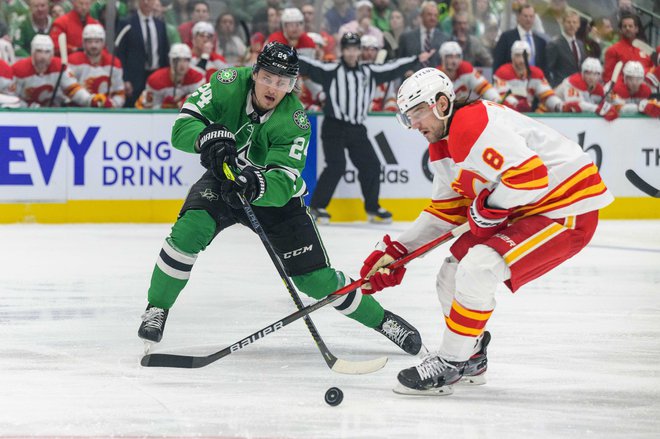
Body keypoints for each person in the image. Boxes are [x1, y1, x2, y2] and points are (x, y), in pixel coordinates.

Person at [137, 42, 424, 358]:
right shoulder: (227, 83)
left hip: (276, 200)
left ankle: (383, 321)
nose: (274, 87)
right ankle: (156, 308)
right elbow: (182, 127)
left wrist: (252, 184)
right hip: (224, 182)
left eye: (283, 82)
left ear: (293, 85)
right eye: (268, 77)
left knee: (315, 280)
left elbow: (283, 182)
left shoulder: (294, 120)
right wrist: (208, 138)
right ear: (256, 73)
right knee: (188, 232)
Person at [359, 67, 614, 395]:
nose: (416, 124)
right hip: (529, 209)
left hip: (567, 211)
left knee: (478, 267)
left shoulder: (472, 123)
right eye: (409, 117)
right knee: (451, 274)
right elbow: (446, 211)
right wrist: (396, 251)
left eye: (419, 112)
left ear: (441, 104)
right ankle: (472, 356)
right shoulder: (442, 146)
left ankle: (449, 364)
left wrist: (490, 205)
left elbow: (530, 177)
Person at [298, 33, 434, 224]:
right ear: (342, 51)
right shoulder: (332, 69)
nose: (351, 53)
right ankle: (318, 207)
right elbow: (310, 66)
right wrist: (286, 54)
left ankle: (372, 208)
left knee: (371, 165)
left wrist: (414, 60)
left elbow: (392, 67)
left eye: (355, 49)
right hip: (333, 126)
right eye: (348, 49)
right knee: (336, 165)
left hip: (357, 129)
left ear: (358, 51)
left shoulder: (368, 71)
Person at [12, 34, 104, 107]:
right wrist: (27, 107)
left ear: (52, 54)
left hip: (54, 113)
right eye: (39, 51)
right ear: (32, 52)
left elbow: (73, 89)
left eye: (47, 52)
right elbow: (12, 98)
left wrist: (90, 100)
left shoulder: (60, 67)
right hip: (25, 114)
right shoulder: (19, 69)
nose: (43, 56)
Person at [116, 0, 170, 107]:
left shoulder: (160, 25)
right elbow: (121, 53)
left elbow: (164, 52)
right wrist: (125, 78)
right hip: (134, 79)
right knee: (134, 108)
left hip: (156, 74)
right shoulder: (127, 23)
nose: (146, 2)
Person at [494, 40, 563, 113]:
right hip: (507, 115)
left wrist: (560, 106)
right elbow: (502, 98)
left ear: (530, 57)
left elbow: (547, 95)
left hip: (527, 114)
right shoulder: (502, 72)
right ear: (512, 57)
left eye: (525, 56)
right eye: (518, 55)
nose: (522, 60)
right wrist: (516, 105)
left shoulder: (536, 73)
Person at [68, 23, 125, 108]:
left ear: (103, 43)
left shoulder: (114, 63)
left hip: (106, 112)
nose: (93, 45)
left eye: (97, 41)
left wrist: (113, 104)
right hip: (78, 110)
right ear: (83, 43)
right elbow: (70, 89)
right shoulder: (73, 61)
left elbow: (120, 93)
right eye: (89, 42)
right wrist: (90, 101)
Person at [136, 42, 204, 109]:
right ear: (171, 61)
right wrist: (164, 106)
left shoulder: (197, 77)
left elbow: (202, 103)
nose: (182, 64)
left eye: (186, 60)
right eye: (177, 60)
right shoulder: (156, 79)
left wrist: (184, 102)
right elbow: (148, 108)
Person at [493, 3, 547, 74]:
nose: (528, 19)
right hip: (511, 81)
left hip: (534, 82)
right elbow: (498, 63)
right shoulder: (506, 37)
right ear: (518, 17)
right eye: (525, 16)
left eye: (531, 16)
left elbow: (544, 68)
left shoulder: (540, 42)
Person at [397, 1, 449, 70]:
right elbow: (400, 62)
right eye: (429, 14)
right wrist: (405, 72)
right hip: (411, 78)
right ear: (421, 15)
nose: (432, 18)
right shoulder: (406, 37)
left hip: (435, 78)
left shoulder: (444, 39)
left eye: (435, 15)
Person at [603, 12, 653, 82]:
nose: (627, 28)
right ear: (620, 30)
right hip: (621, 90)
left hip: (644, 89)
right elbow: (608, 77)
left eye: (630, 26)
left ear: (636, 29)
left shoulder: (646, 49)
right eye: (624, 26)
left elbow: (653, 70)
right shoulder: (613, 50)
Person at [546, 10, 586, 88]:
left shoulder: (580, 45)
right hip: (560, 87)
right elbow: (548, 69)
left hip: (577, 88)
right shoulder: (555, 44)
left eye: (574, 22)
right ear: (563, 23)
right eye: (568, 22)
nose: (571, 25)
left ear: (578, 25)